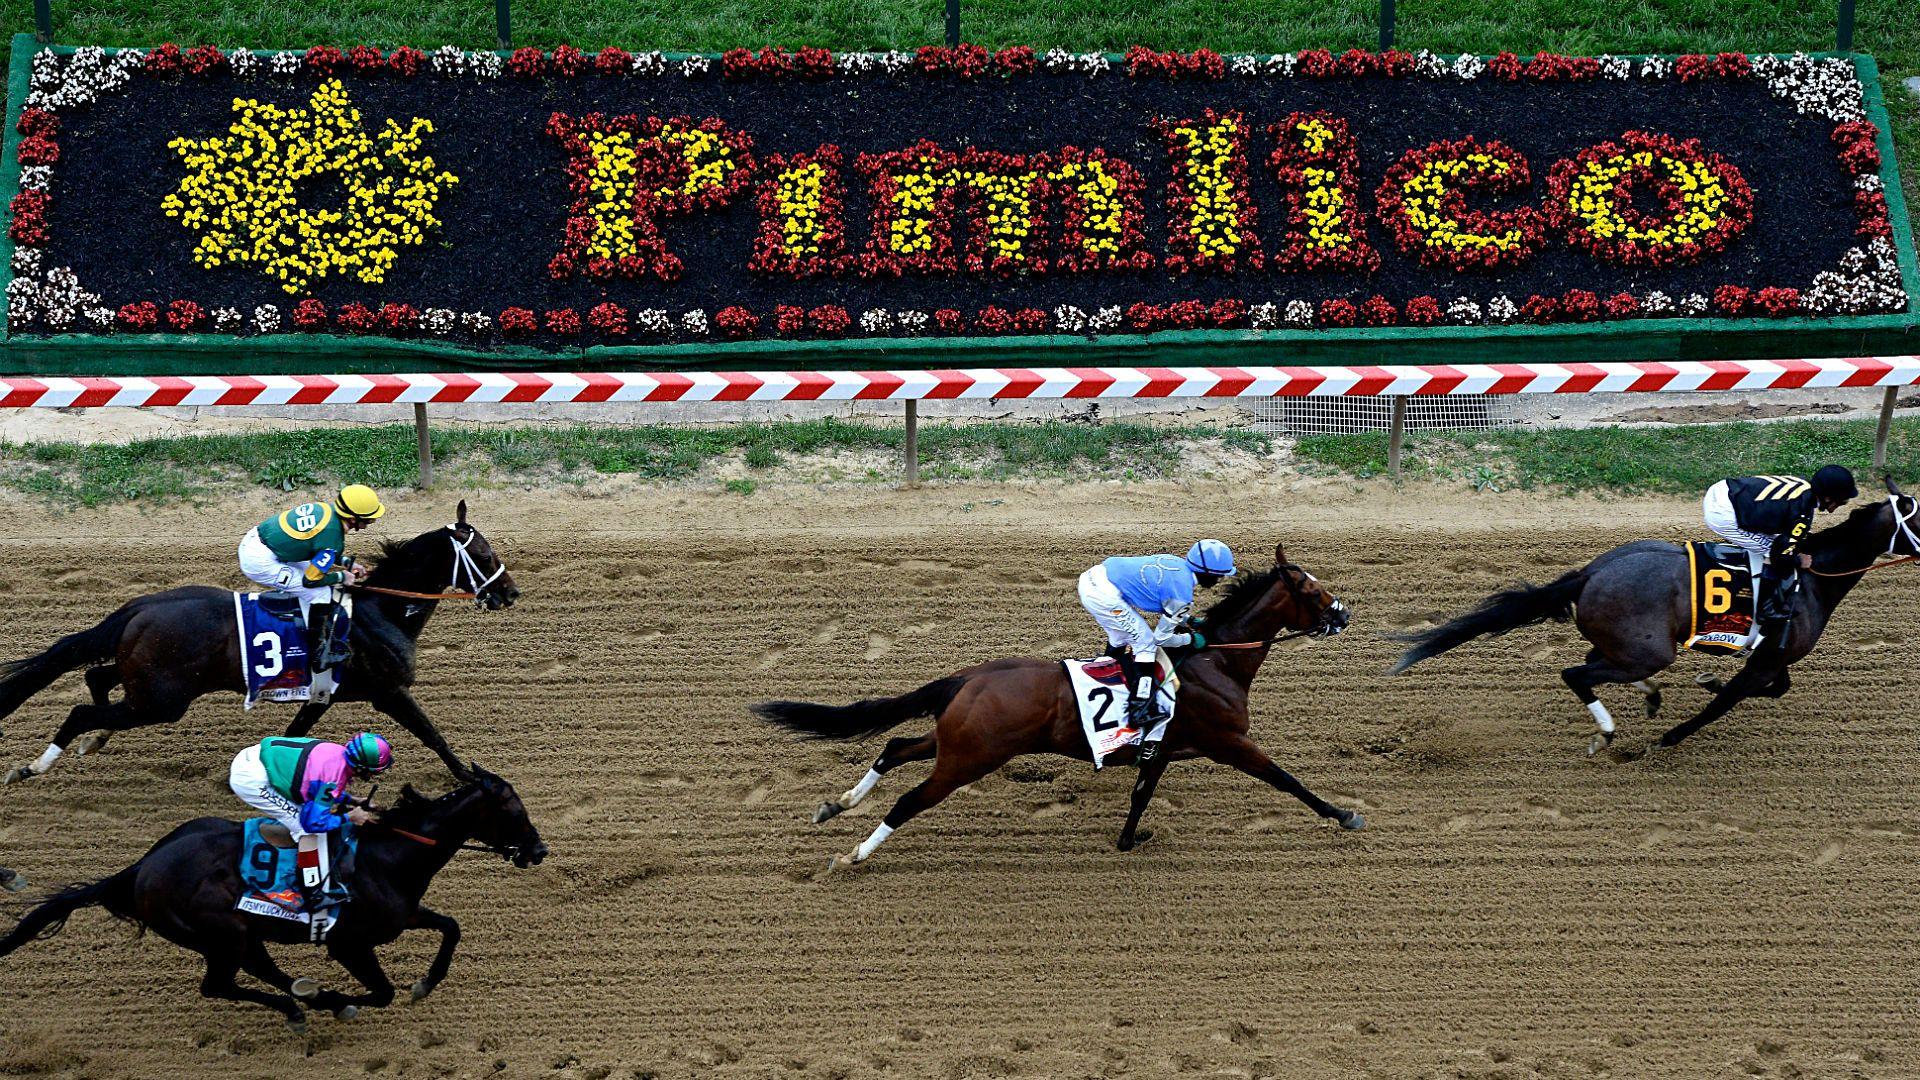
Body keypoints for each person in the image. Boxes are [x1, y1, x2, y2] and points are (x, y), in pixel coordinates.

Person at [1077, 540, 1234, 761]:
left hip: (1092, 579)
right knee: (1146, 643)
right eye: (1219, 575)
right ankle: (1140, 707)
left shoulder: (1178, 564)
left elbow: (1161, 597)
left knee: (1121, 636)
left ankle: (1107, 671)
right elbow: (1162, 639)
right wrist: (1190, 639)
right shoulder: (1182, 593)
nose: (1219, 581)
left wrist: (1187, 619)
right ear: (1207, 572)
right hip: (1104, 595)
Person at [227, 732, 391, 939]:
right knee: (306, 830)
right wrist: (350, 817)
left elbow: (318, 786)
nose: (373, 776)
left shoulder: (338, 754)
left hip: (255, 758)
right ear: (360, 767)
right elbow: (314, 822)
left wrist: (351, 800)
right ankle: (313, 894)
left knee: (307, 813)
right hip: (252, 780)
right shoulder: (334, 775)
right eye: (372, 772)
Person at [1702, 465, 1857, 647]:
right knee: (1770, 551)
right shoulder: (1802, 514)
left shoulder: (1803, 486)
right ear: (1828, 498)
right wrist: (1799, 560)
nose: (1838, 507)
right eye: (1842, 502)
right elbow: (1779, 556)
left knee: (1778, 541)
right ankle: (1766, 611)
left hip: (1722, 490)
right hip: (1722, 514)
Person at [238, 485, 386, 675]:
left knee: (311, 575)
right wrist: (342, 576)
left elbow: (318, 546)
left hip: (255, 541)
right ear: (352, 518)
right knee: (321, 594)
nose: (368, 524)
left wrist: (347, 563)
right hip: (259, 562)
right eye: (368, 520)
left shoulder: (326, 510)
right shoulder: (333, 538)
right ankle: (317, 656)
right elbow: (311, 580)